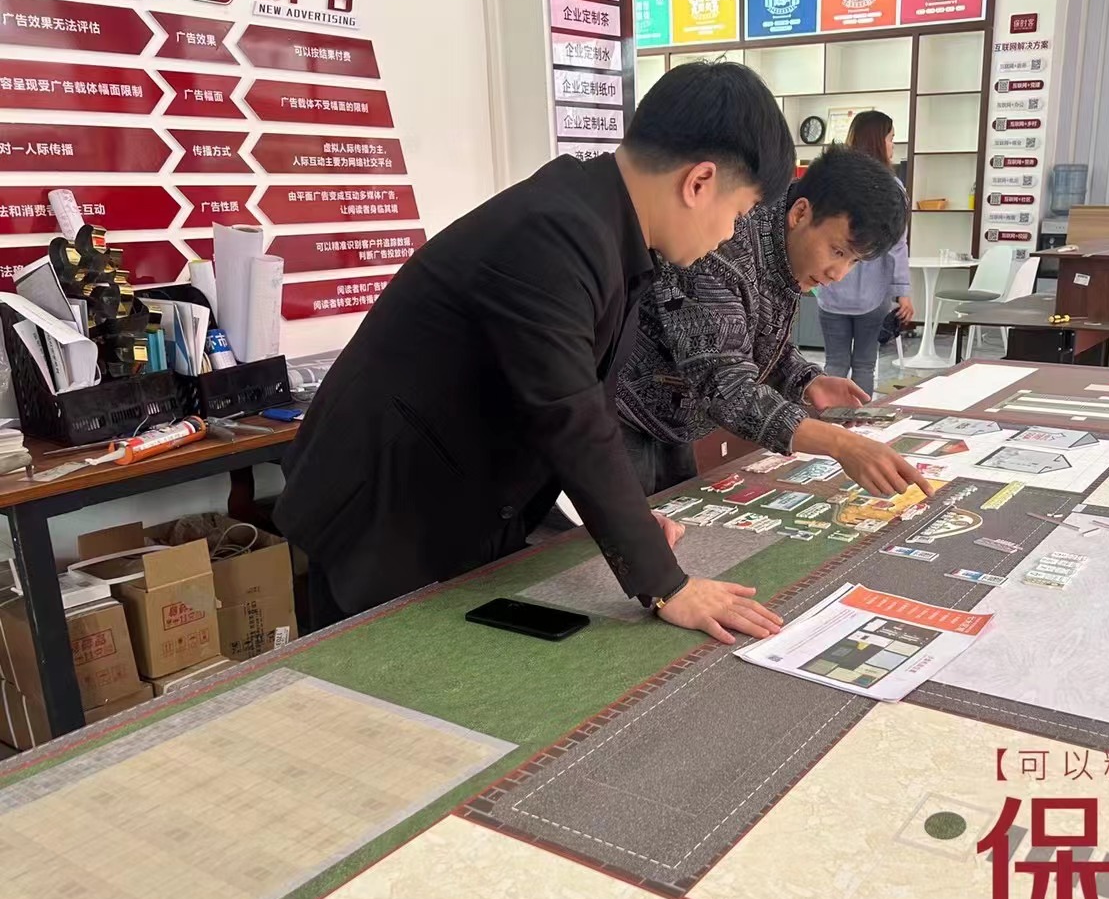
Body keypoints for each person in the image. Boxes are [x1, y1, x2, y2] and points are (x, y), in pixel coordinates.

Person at [273, 62, 797, 646]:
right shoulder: (556, 233)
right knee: (375, 677)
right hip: (381, 510)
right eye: (739, 214)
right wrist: (667, 585)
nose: (730, 234)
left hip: (453, 502)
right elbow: (570, 419)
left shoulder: (601, 223)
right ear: (699, 182)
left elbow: (583, 399)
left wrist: (628, 521)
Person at [618, 144, 932, 500]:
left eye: (854, 261)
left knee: (676, 515)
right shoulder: (721, 247)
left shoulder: (784, 242)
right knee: (629, 527)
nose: (838, 273)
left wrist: (806, 380)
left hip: (677, 418)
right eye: (838, 251)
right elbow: (727, 388)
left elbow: (753, 338)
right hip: (626, 415)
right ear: (801, 213)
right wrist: (842, 444)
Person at [814, 111, 913, 399]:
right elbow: (897, 245)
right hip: (873, 294)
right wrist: (902, 292)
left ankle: (830, 418)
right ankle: (860, 419)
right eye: (891, 138)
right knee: (864, 365)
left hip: (830, 288)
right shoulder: (892, 189)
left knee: (834, 362)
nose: (893, 145)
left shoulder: (833, 182)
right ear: (878, 140)